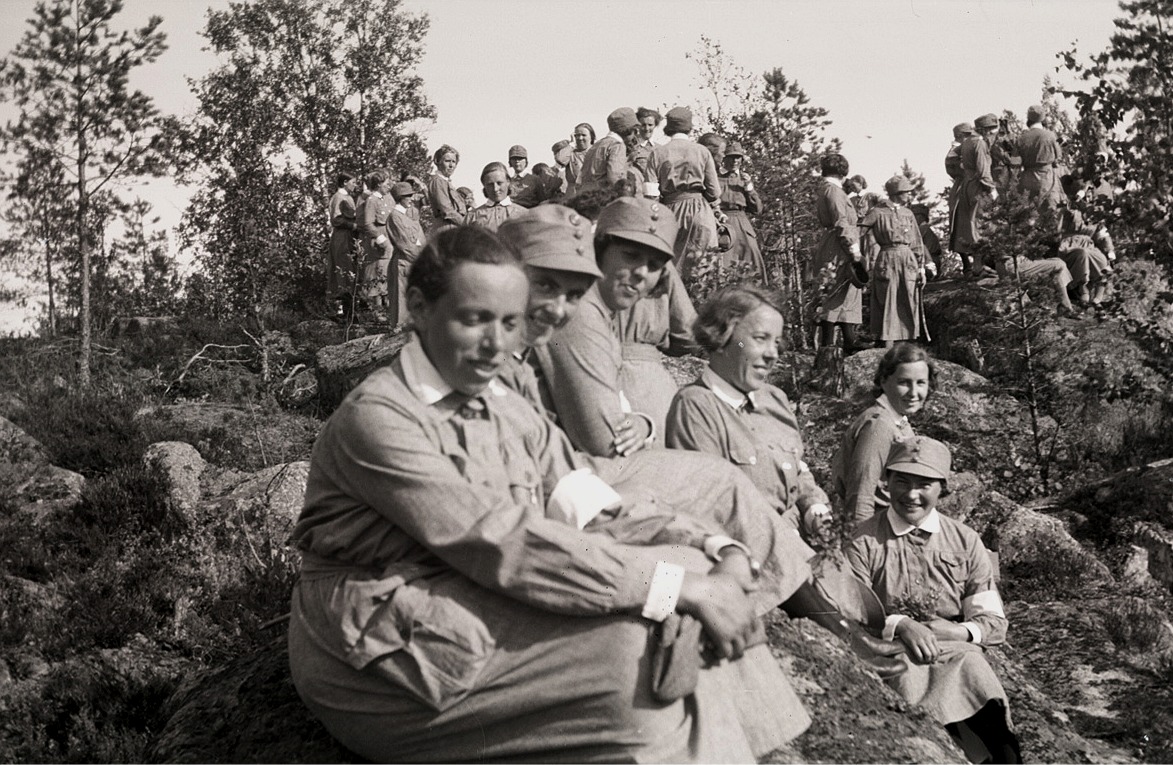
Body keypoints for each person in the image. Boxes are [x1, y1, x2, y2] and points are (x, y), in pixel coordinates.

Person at [288, 225, 789, 762]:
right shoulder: (381, 419)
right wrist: (682, 589)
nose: (496, 345)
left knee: (685, 588)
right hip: (383, 639)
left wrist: (720, 551)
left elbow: (594, 506)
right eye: (474, 319)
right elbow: (503, 543)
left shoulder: (502, 402)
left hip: (476, 590)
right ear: (417, 307)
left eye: (508, 323)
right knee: (640, 653)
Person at [848, 437, 1021, 764]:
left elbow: (993, 624)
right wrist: (902, 625)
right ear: (886, 482)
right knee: (920, 721)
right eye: (902, 481)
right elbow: (851, 610)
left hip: (957, 653)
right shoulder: (863, 540)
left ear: (942, 488)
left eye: (924, 484)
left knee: (996, 725)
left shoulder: (966, 541)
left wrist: (959, 632)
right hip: (895, 654)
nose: (911, 494)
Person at [533, 196, 688, 455]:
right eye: (630, 255)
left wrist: (644, 424)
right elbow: (604, 442)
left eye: (654, 266)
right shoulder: (579, 313)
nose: (641, 273)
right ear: (599, 251)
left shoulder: (597, 309)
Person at [831, 343, 933, 526]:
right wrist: (862, 544)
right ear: (884, 381)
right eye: (903, 382)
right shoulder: (878, 426)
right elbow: (860, 495)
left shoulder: (898, 421)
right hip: (876, 532)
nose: (913, 393)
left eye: (920, 383)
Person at [645, 106, 723, 281]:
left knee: (672, 267)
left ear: (669, 127)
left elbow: (651, 195)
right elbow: (714, 191)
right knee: (704, 265)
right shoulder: (702, 151)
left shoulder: (657, 153)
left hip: (670, 212)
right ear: (689, 126)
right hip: (699, 211)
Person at [863, 176, 933, 347]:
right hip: (887, 258)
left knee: (908, 298)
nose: (909, 196)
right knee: (886, 298)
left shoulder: (908, 214)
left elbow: (917, 242)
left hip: (907, 259)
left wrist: (921, 268)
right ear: (896, 193)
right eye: (906, 192)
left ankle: (908, 342)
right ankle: (885, 342)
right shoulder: (877, 212)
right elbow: (858, 231)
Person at [812, 153, 866, 354]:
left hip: (835, 242)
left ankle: (847, 339)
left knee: (844, 290)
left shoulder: (827, 189)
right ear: (844, 172)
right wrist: (853, 247)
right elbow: (841, 221)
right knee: (836, 289)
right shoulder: (834, 191)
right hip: (839, 244)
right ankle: (829, 344)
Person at [953, 114, 1000, 277]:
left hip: (968, 186)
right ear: (986, 130)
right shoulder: (979, 143)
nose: (993, 135)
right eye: (992, 131)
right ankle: (979, 267)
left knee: (974, 224)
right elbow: (982, 170)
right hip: (979, 187)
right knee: (982, 225)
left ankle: (977, 266)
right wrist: (992, 189)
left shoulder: (967, 142)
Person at [1058, 173, 1115, 305]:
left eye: (1090, 196)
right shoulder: (1069, 209)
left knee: (1101, 259)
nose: (1088, 198)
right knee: (1082, 254)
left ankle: (1098, 296)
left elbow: (1103, 233)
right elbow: (1061, 217)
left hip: (1089, 245)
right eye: (1086, 195)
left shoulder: (1093, 213)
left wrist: (1110, 251)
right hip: (1069, 244)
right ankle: (1082, 289)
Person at [718, 142, 767, 281]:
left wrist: (749, 188)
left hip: (742, 221)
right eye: (731, 157)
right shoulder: (717, 179)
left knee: (752, 253)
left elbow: (757, 209)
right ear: (724, 159)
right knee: (724, 260)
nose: (735, 161)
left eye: (738, 158)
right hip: (723, 222)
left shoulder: (745, 179)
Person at [386, 181, 426, 326]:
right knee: (401, 302)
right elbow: (405, 245)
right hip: (404, 263)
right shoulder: (394, 217)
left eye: (411, 195)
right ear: (399, 197)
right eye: (407, 196)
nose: (411, 198)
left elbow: (421, 239)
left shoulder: (409, 216)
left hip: (413, 262)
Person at [359, 169, 394, 322]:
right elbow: (367, 223)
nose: (389, 185)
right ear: (379, 184)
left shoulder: (388, 198)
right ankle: (377, 313)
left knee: (387, 274)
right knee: (376, 275)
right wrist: (382, 240)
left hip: (389, 238)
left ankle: (388, 310)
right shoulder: (372, 200)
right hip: (378, 242)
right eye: (387, 182)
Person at [578, 109, 639, 194]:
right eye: (635, 131)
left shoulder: (598, 144)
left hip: (586, 195)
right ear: (628, 130)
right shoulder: (617, 145)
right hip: (602, 196)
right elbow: (615, 177)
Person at [1016, 104, 1065, 210]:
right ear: (1043, 119)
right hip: (1046, 180)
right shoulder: (1050, 135)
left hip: (1027, 180)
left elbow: (1015, 162)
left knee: (1027, 215)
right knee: (1051, 213)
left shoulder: (1021, 138)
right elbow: (1058, 157)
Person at [327, 172, 359, 318]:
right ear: (345, 182)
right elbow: (336, 219)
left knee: (352, 269)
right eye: (353, 182)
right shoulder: (338, 198)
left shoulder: (349, 198)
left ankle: (352, 309)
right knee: (343, 270)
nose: (355, 185)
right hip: (342, 237)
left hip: (350, 237)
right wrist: (352, 226)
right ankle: (345, 312)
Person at [945, 122, 975, 270]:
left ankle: (976, 263)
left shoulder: (965, 147)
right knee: (961, 226)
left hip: (970, 185)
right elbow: (953, 169)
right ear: (960, 136)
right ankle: (967, 266)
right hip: (962, 189)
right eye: (967, 135)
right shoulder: (955, 151)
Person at [465, 162, 525, 232]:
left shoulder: (524, 214)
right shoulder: (473, 216)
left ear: (508, 182)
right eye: (490, 184)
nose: (495, 189)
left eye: (499, 183)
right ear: (484, 185)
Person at [426, 144, 468, 230]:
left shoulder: (446, 182)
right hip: (445, 228)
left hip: (454, 228)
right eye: (447, 161)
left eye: (454, 162)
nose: (451, 165)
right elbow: (447, 211)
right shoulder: (437, 181)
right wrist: (467, 224)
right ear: (438, 161)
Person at [911, 203, 945, 279]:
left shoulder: (922, 230)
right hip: (933, 263)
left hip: (929, 263)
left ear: (920, 216)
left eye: (915, 216)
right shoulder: (926, 229)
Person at [507, 144, 543, 209]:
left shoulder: (535, 180)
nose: (517, 161)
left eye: (520, 158)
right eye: (514, 158)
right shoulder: (507, 182)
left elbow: (542, 201)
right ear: (510, 162)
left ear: (526, 161)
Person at [565, 122, 595, 197]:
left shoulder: (597, 151)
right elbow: (560, 159)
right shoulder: (570, 152)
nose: (580, 138)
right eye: (577, 135)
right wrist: (571, 144)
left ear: (591, 136)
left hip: (592, 193)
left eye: (583, 135)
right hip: (573, 195)